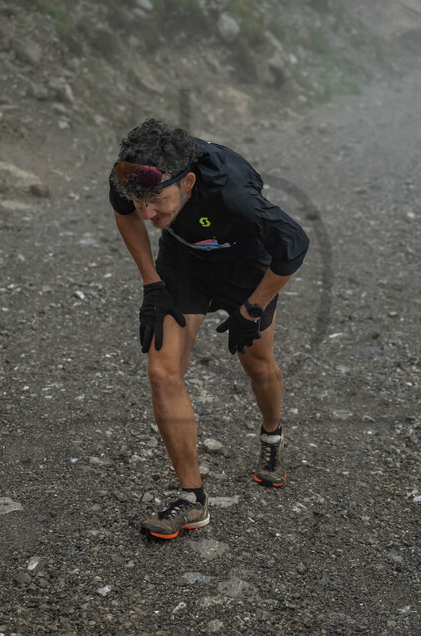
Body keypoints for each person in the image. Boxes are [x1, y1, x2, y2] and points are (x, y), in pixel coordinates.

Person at [108, 119, 310, 540]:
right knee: (162, 373)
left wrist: (253, 308)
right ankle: (192, 500)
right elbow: (124, 212)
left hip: (245, 269)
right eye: (139, 199)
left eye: (156, 201)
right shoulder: (131, 174)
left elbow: (293, 245)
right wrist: (152, 284)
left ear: (189, 183)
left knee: (257, 365)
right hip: (184, 267)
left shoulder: (233, 194)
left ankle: (272, 437)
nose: (147, 212)